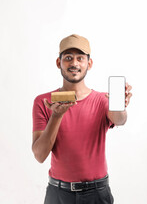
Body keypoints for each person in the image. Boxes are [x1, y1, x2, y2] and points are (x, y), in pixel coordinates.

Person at [32, 34, 132, 204]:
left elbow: (120, 120)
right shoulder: (44, 102)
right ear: (59, 63)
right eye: (68, 58)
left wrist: (119, 105)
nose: (74, 64)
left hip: (96, 193)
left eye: (80, 58)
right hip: (58, 194)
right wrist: (56, 116)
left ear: (89, 64)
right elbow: (40, 155)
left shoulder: (102, 100)